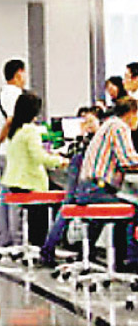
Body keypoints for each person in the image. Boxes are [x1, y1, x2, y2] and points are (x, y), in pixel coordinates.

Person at [63, 97, 138, 270]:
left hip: (87, 188)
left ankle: (87, 255)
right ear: (132, 113)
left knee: (116, 210)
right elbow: (127, 159)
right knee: (132, 209)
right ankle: (129, 260)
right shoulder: (119, 127)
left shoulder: (108, 125)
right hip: (96, 188)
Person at [0, 92, 67, 248]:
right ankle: (44, 245)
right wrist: (60, 161)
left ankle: (36, 244)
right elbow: (39, 157)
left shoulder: (15, 130)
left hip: (14, 182)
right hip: (29, 183)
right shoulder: (30, 130)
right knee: (61, 197)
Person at [40, 109, 101, 266]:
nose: (87, 125)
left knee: (68, 208)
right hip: (83, 168)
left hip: (78, 166)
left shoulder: (87, 140)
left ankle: (80, 250)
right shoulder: (95, 139)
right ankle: (52, 248)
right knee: (69, 208)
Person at [0, 59, 28, 248]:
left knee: (3, 197)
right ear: (19, 73)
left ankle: (3, 239)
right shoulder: (16, 94)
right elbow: (11, 120)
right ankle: (16, 241)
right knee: (13, 198)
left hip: (1, 153)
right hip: (11, 151)